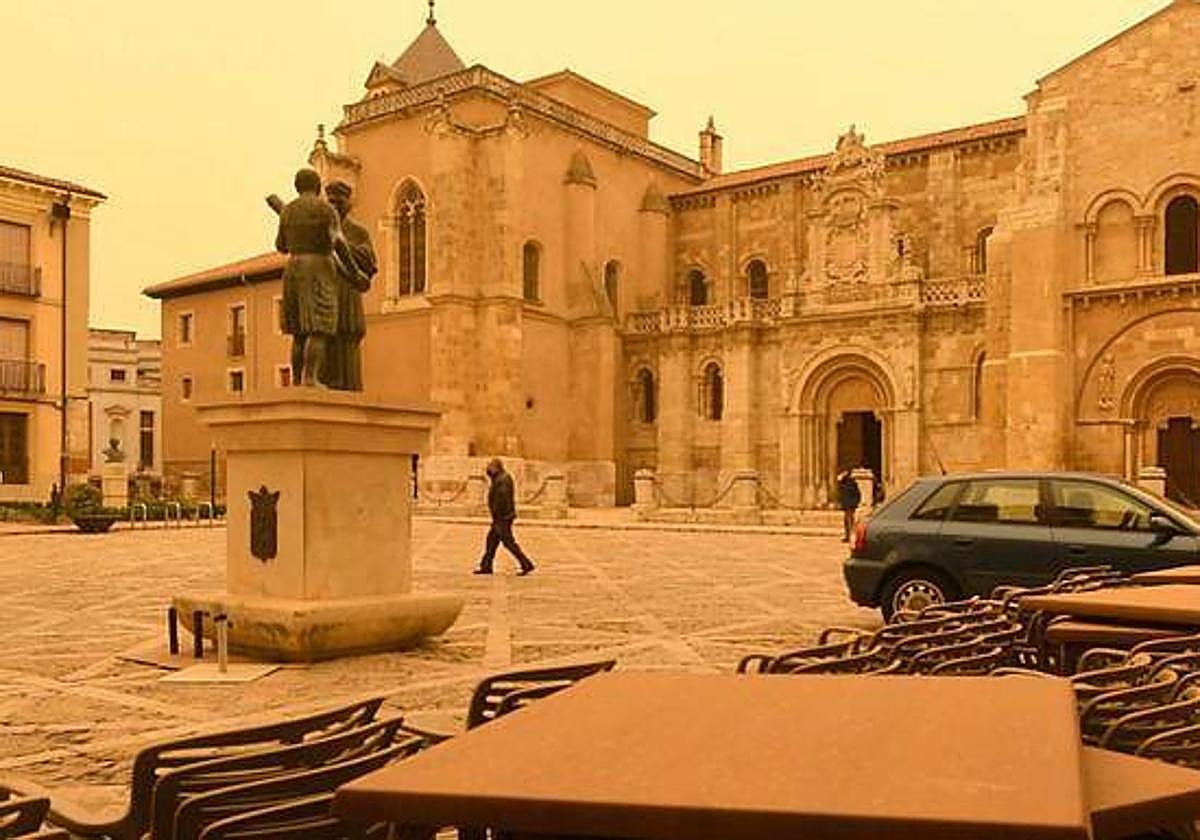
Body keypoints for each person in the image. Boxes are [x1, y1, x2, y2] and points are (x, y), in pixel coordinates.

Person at [275, 168, 339, 386]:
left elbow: (281, 245)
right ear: (318, 186)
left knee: (298, 332)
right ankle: (310, 378)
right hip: (318, 268)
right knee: (318, 327)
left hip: (293, 269)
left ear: (297, 186)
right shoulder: (326, 209)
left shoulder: (288, 211)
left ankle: (296, 380)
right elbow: (336, 241)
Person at [322, 180, 376, 391]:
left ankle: (351, 387)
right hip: (326, 291)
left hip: (348, 291)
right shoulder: (322, 229)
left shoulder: (358, 231)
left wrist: (344, 247)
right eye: (331, 201)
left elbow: (369, 261)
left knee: (348, 336)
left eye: (339, 201)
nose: (335, 205)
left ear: (348, 203)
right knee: (326, 338)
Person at [474, 458, 535, 576]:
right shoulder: (499, 478)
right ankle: (486, 566)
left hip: (502, 517)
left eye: (490, 466)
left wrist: (498, 513)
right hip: (500, 517)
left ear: (496, 467)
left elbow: (502, 498)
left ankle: (526, 564)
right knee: (491, 542)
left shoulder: (503, 479)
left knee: (509, 543)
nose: (488, 469)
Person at [836, 469, 861, 543]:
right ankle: (848, 536)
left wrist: (855, 503)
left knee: (849, 520)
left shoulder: (850, 482)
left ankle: (850, 536)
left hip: (850, 504)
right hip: (848, 504)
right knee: (847, 521)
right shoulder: (844, 482)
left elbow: (856, 493)